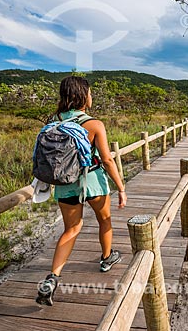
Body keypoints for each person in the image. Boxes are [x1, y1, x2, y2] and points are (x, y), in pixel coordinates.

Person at [36, 76, 127, 306]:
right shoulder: (94, 124)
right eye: (89, 92)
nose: (91, 96)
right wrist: (121, 188)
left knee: (72, 228)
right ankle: (106, 259)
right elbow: (106, 159)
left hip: (65, 185)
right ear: (82, 96)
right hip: (93, 181)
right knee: (104, 220)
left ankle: (52, 277)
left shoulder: (52, 122)